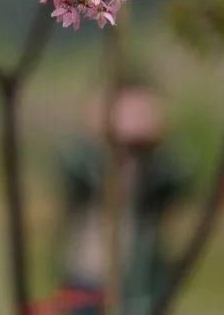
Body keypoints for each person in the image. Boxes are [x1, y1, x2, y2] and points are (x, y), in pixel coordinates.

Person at [54, 81, 188, 315]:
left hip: (138, 279)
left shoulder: (155, 169)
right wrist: (98, 132)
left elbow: (179, 178)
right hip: (88, 274)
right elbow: (72, 169)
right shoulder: (89, 160)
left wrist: (154, 139)